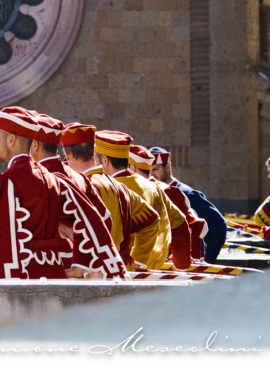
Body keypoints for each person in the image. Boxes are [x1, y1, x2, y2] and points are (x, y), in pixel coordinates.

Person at [0, 106, 71, 279]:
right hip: (55, 273)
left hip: (25, 276)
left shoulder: (6, 181)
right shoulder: (51, 178)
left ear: (11, 140)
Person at [29, 114, 125, 279]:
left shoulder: (37, 179)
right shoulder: (78, 177)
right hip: (79, 270)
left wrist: (79, 264)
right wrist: (84, 262)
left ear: (35, 145)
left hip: (51, 269)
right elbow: (104, 220)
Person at [61, 123, 159, 272]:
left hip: (92, 271)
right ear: (94, 151)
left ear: (67, 154)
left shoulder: (77, 188)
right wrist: (139, 260)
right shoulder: (119, 186)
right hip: (121, 268)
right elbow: (151, 219)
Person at [94, 131, 191, 270]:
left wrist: (137, 261)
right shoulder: (154, 186)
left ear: (105, 160)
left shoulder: (106, 189)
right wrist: (182, 265)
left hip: (117, 269)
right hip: (151, 270)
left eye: (95, 159)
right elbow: (180, 223)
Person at [149, 147, 227, 264]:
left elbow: (219, 225)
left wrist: (208, 260)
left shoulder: (187, 194)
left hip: (188, 263)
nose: (151, 174)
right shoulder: (151, 192)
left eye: (155, 169)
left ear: (167, 167)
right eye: (149, 170)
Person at [130, 146, 206, 263]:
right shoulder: (127, 189)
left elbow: (194, 226)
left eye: (156, 169)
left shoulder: (170, 191)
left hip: (166, 262)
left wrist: (181, 258)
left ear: (132, 168)